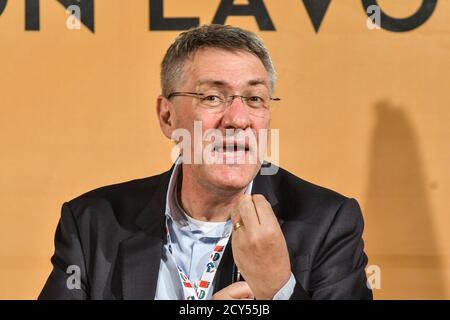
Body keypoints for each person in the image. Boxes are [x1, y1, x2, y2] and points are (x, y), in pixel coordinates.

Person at [38, 24, 372, 300]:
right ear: (168, 117)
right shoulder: (93, 221)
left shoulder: (326, 221)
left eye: (255, 98)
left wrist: (279, 290)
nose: (238, 119)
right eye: (212, 97)